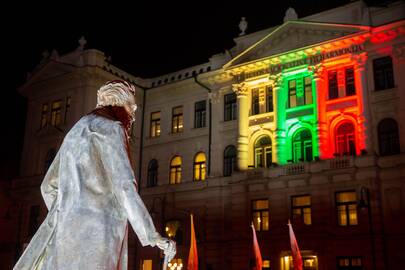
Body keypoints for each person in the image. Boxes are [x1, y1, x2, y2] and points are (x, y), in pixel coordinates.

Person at [14, 80, 176, 270]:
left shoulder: (75, 131)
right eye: (130, 106)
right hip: (99, 234)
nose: (132, 114)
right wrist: (152, 235)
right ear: (118, 103)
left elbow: (48, 186)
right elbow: (124, 186)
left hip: (66, 233)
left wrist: (68, 212)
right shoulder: (112, 127)